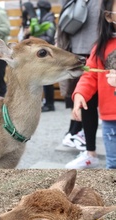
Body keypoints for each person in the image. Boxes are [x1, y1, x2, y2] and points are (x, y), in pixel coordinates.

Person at [73, 0, 116, 169]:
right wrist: (80, 94)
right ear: (109, 16)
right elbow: (90, 75)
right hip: (110, 120)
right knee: (112, 165)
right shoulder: (101, 46)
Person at [62, 0, 102, 168]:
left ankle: (81, 140)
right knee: (86, 100)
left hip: (103, 43)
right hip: (82, 47)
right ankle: (89, 151)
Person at [21, 1, 56, 111]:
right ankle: (45, 102)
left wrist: (33, 38)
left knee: (48, 80)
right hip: (41, 55)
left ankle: (50, 104)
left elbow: (49, 38)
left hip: (47, 55)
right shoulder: (42, 20)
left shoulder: (49, 20)